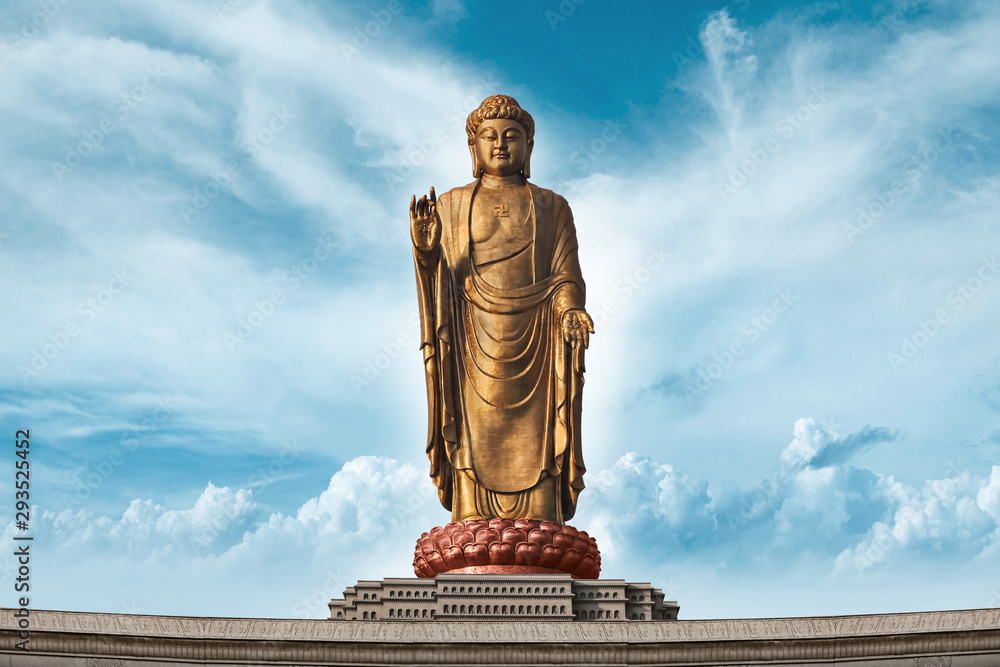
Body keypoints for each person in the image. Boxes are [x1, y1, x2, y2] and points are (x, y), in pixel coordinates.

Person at [410, 94, 594, 524]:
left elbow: (567, 273)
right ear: (472, 147)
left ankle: (541, 514)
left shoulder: (552, 206)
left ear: (529, 147)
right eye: (488, 136)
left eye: (512, 137)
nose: (500, 145)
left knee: (541, 431)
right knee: (474, 427)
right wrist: (426, 251)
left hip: (539, 339)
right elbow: (442, 279)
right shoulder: (452, 205)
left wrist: (570, 311)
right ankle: (470, 509)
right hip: (469, 335)